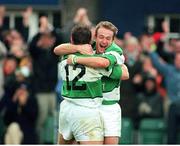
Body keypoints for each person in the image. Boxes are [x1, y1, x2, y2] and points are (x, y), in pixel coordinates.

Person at [54, 21, 129, 144]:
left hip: (102, 106)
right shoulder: (91, 54)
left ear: (113, 40)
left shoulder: (115, 51)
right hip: (89, 107)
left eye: (108, 38)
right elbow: (123, 73)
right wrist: (78, 48)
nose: (104, 41)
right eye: (101, 37)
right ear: (93, 38)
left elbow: (120, 71)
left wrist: (75, 58)